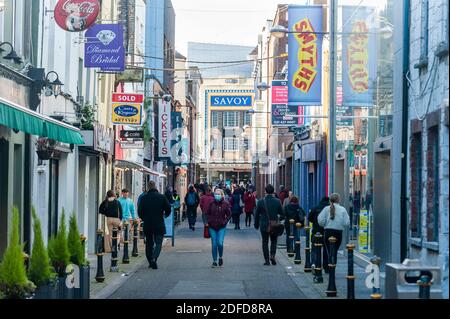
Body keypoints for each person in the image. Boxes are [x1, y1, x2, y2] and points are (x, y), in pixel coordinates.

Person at [138, 181, 171, 269]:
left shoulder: (143, 198)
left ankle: (150, 261)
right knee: (159, 242)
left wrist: (144, 218)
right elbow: (168, 208)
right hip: (159, 223)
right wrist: (165, 215)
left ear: (148, 188)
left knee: (149, 243)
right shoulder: (161, 197)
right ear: (155, 187)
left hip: (148, 224)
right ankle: (154, 258)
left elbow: (140, 211)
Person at [318, 193, 350, 273]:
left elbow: (320, 220)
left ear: (330, 200)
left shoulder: (326, 209)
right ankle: (333, 267)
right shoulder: (342, 209)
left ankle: (326, 267)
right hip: (338, 232)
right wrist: (340, 223)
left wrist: (325, 224)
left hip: (328, 231)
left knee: (327, 250)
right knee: (334, 250)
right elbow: (347, 222)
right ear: (338, 200)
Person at [254, 184, 285, 265]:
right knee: (274, 241)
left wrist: (256, 224)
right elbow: (282, 214)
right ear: (273, 191)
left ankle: (267, 260)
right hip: (274, 225)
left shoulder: (261, 201)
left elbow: (256, 214)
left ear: (265, 191)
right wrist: (278, 218)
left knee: (265, 242)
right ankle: (272, 255)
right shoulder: (277, 201)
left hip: (264, 225)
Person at [205, 188, 232, 268]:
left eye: (218, 194)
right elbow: (207, 213)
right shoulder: (211, 203)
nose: (217, 195)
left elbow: (229, 214)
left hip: (221, 227)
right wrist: (208, 221)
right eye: (215, 194)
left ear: (222, 195)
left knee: (220, 243)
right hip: (212, 226)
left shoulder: (225, 204)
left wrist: (225, 221)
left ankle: (220, 257)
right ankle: (214, 261)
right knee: (214, 244)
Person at [308, 196, 329, 267]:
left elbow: (309, 219)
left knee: (314, 248)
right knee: (326, 249)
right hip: (326, 231)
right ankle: (326, 266)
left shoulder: (315, 208)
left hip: (316, 231)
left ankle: (314, 263)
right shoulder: (329, 209)